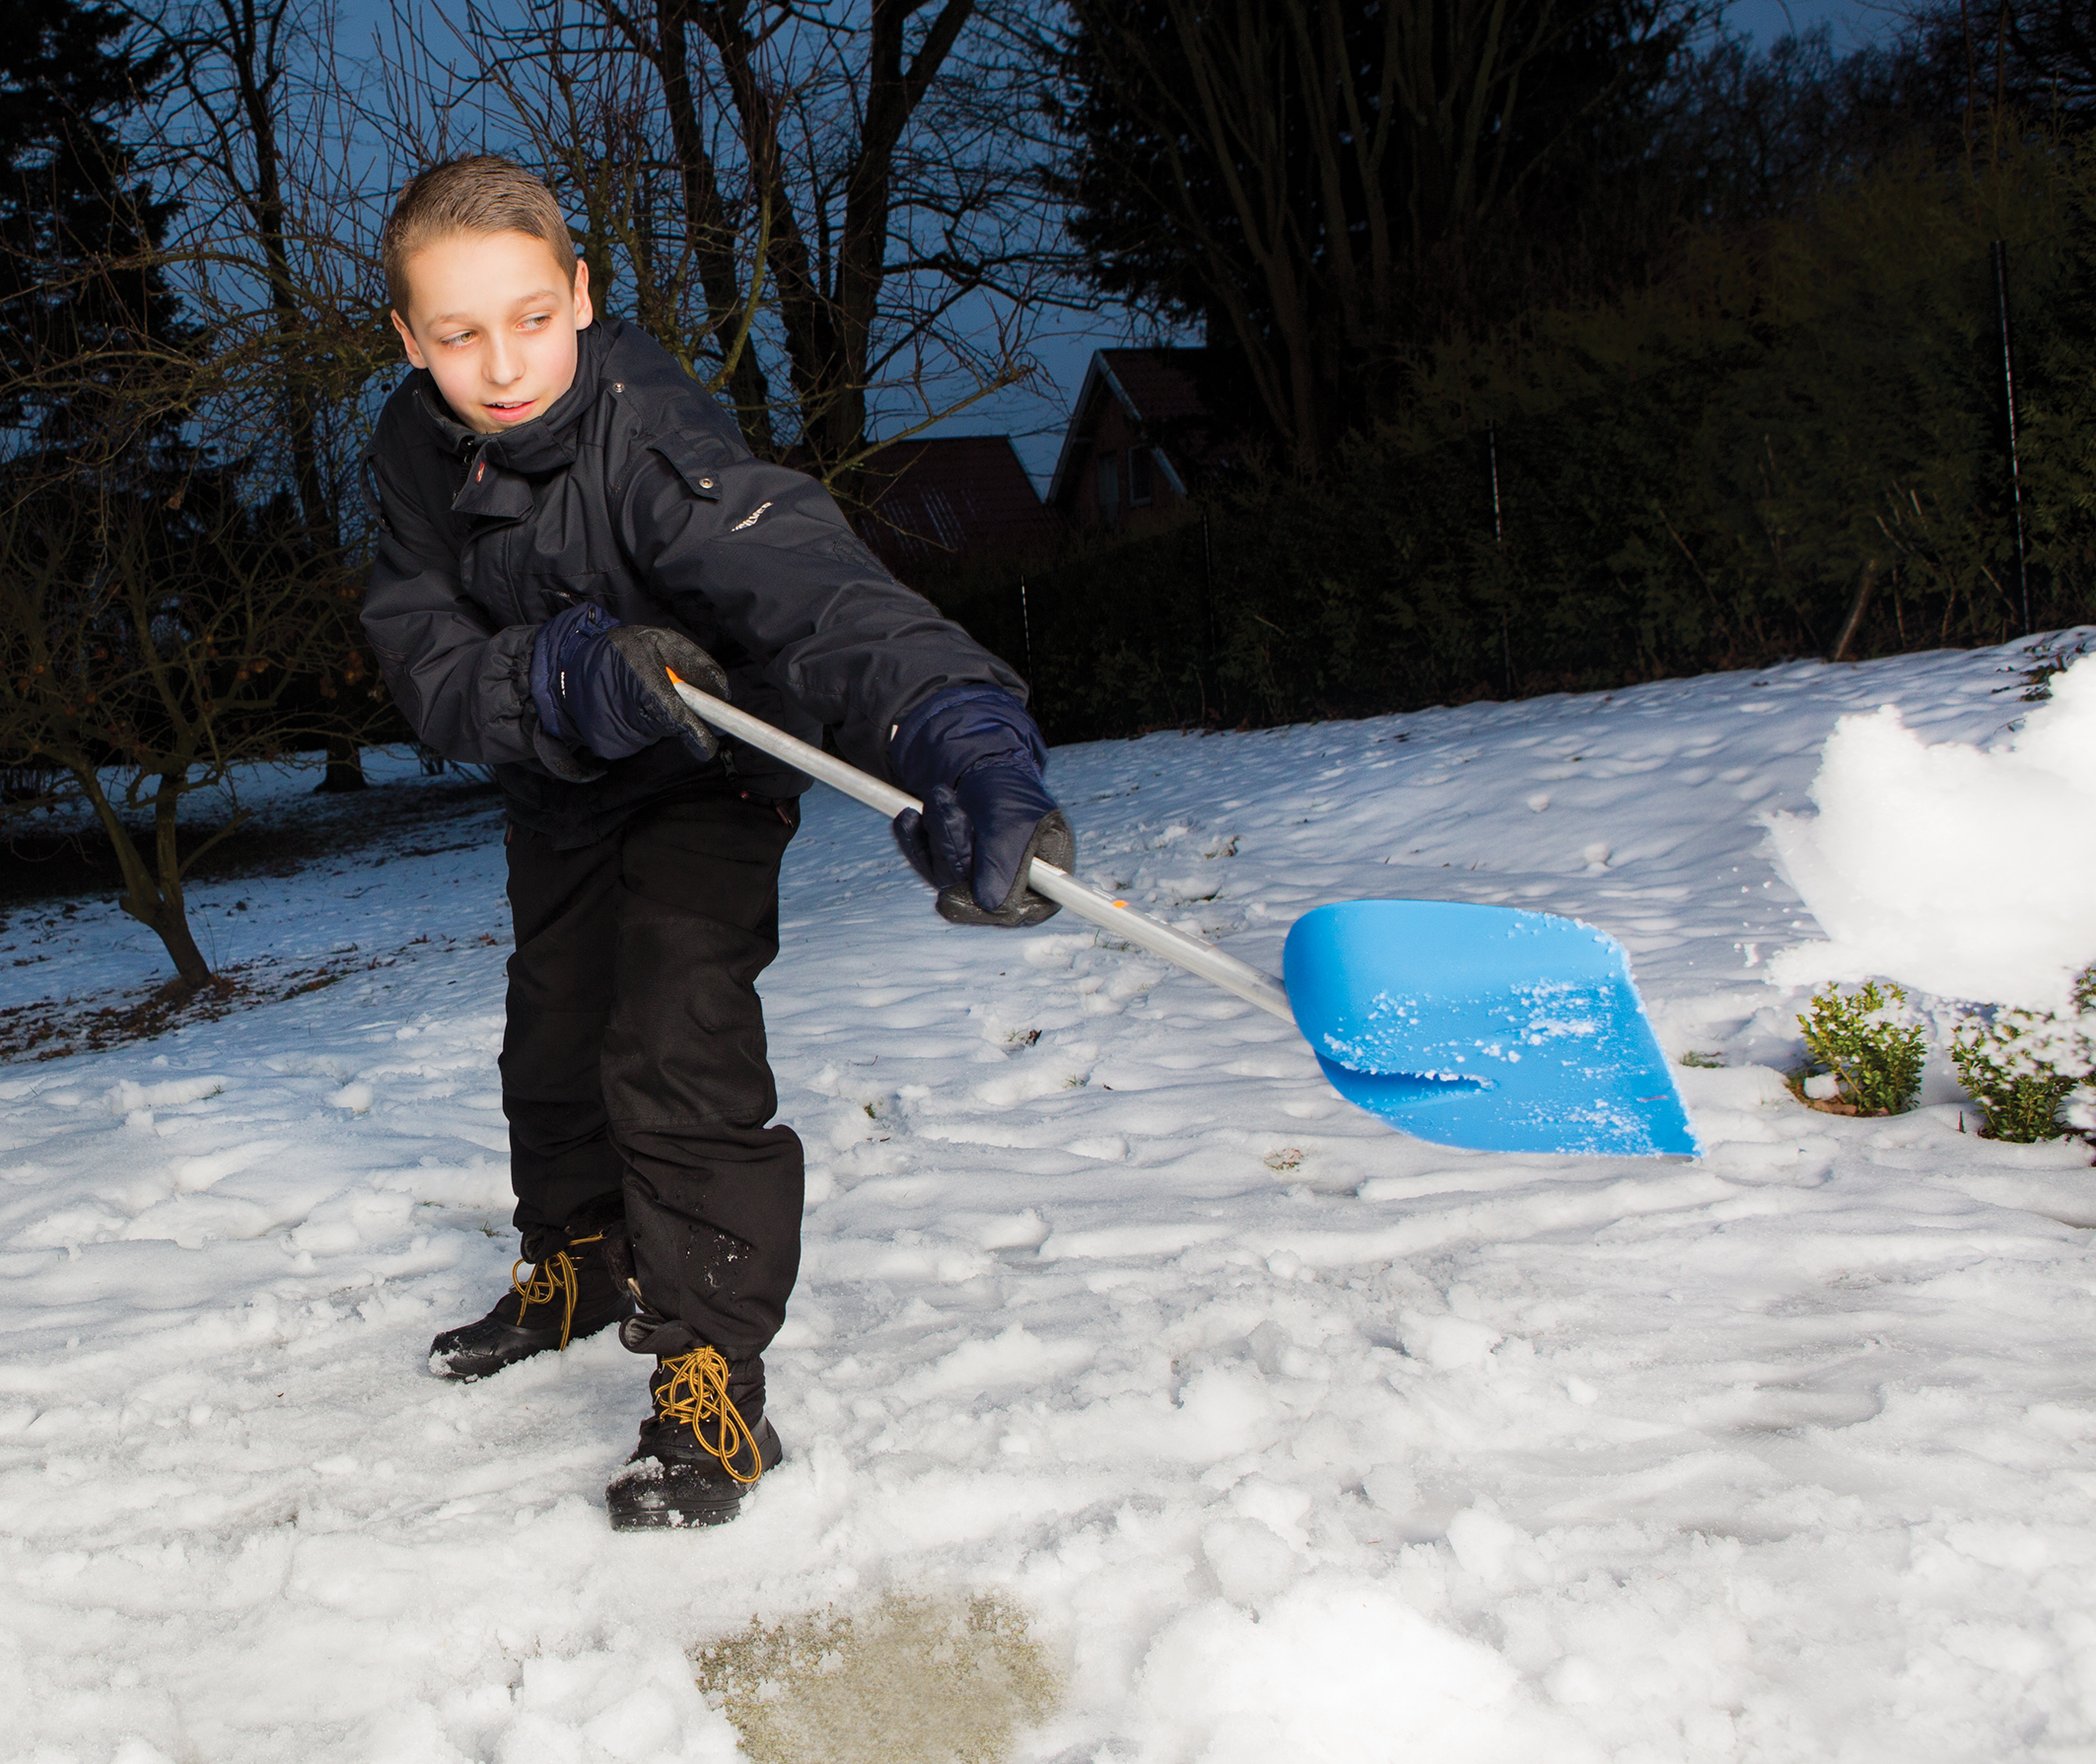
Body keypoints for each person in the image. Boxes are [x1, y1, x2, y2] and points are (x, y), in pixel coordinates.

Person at [361, 156, 1073, 1530]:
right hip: (559, 773)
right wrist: (558, 685)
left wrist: (956, 724)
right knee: (553, 1027)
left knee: (673, 1041)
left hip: (705, 774)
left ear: (578, 292)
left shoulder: (654, 431)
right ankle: (572, 1256)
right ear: (408, 339)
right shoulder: (408, 449)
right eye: (456, 334)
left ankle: (708, 1371)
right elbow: (424, 661)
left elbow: (809, 581)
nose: (501, 365)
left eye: (528, 316)